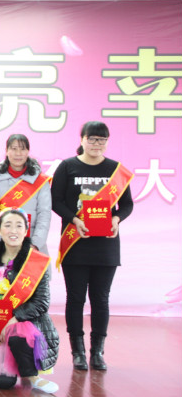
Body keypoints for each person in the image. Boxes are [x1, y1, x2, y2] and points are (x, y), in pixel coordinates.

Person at [51, 121, 133, 371]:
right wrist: (75, 220)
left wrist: (117, 219)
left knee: (101, 298)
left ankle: (97, 352)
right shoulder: (68, 166)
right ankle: (78, 352)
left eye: (102, 139)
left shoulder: (116, 170)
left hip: (105, 245)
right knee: (75, 298)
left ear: (107, 142)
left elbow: (127, 204)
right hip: (76, 242)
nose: (97, 144)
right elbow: (56, 200)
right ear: (82, 139)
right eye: (92, 139)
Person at [0, 208, 59, 394]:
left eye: (19, 226)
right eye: (8, 225)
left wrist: (15, 319)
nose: (13, 230)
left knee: (19, 333)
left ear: (26, 230)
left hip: (26, 325)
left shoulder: (36, 261)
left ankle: (33, 376)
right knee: (3, 383)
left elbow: (42, 302)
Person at [0, 134, 51, 254]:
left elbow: (44, 214)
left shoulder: (40, 181)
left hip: (31, 244)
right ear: (6, 151)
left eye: (22, 149)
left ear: (28, 151)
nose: (18, 153)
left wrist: (35, 244)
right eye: (14, 149)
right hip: (1, 243)